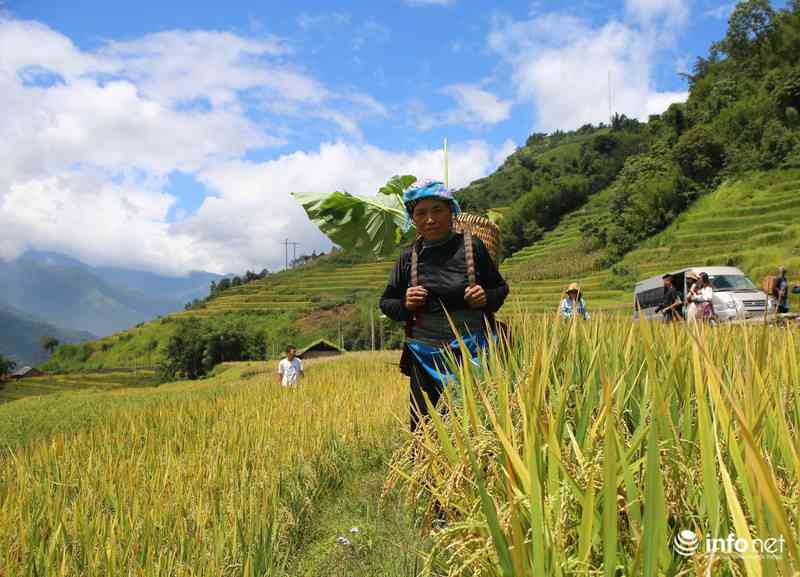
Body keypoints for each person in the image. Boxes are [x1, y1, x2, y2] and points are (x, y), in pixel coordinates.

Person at [379, 179, 509, 432]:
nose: (430, 219)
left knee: (478, 423)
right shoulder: (408, 259)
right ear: (412, 219)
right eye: (421, 213)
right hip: (425, 355)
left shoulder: (473, 248)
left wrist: (485, 298)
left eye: (437, 210)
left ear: (452, 211)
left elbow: (500, 288)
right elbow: (386, 302)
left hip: (474, 350)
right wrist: (406, 303)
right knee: (425, 428)